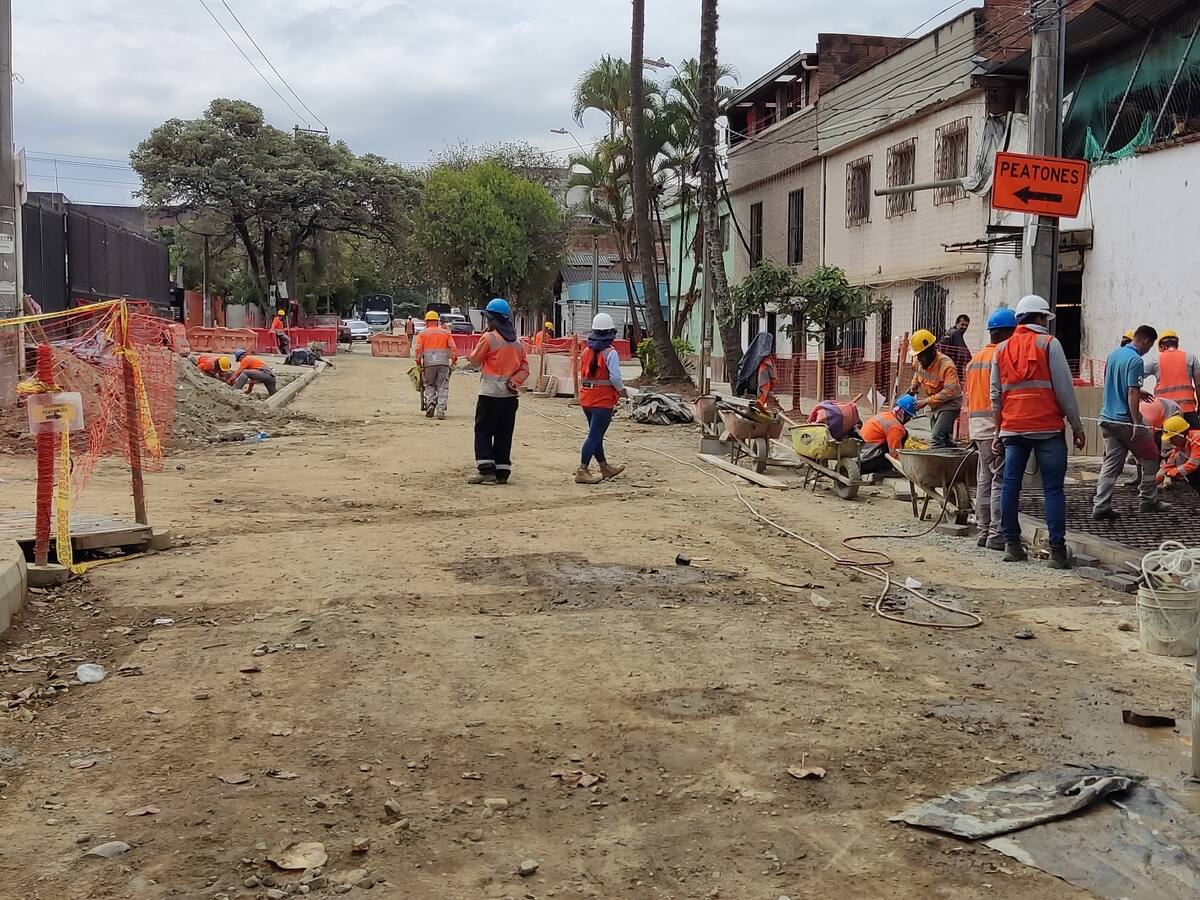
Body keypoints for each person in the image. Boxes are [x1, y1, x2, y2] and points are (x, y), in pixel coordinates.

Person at [991, 294, 1086, 569]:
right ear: (1041, 318)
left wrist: (1000, 431)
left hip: (1013, 430)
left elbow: (995, 396)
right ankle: (1057, 551)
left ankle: (1012, 544)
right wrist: (1077, 426)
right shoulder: (1049, 344)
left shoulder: (1002, 349)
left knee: (1011, 485)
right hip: (1047, 429)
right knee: (1053, 489)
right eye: (1046, 318)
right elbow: (1065, 390)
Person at [1093, 325, 1168, 520]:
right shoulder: (1135, 360)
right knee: (1151, 456)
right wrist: (1136, 421)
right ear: (1146, 341)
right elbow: (1132, 391)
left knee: (1111, 464)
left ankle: (1101, 506)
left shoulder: (1114, 355)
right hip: (1124, 421)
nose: (1147, 350)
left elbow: (1113, 382)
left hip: (1107, 419)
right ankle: (1149, 500)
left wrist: (1137, 391)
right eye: (1149, 346)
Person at [966, 308, 1017, 550]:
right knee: (999, 480)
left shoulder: (974, 360)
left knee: (984, 478)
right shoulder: (1003, 355)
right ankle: (996, 533)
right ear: (1008, 331)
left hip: (977, 427)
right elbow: (1002, 395)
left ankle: (983, 530)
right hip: (995, 427)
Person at [467, 298, 529, 485]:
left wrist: (481, 340)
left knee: (484, 431)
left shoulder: (489, 338)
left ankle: (486, 471)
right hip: (510, 397)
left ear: (492, 320)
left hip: (489, 395)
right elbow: (525, 369)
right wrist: (514, 381)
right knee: (504, 433)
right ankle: (502, 471)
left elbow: (475, 361)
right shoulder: (518, 343)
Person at [575, 313, 627, 484]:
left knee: (595, 434)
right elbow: (615, 377)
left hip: (587, 400)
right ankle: (582, 469)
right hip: (602, 401)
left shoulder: (585, 351)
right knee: (594, 436)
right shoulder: (610, 353)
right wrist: (621, 391)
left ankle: (605, 467)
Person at [908, 329, 962, 449]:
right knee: (944, 438)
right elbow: (917, 374)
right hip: (934, 405)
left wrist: (925, 401)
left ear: (930, 351)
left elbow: (950, 392)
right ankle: (955, 458)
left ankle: (936, 466)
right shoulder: (919, 362)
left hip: (950, 404)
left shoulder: (946, 365)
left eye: (920, 355)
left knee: (936, 438)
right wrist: (914, 386)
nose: (918, 358)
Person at [1145, 330, 1200, 429]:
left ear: (1162, 346)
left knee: (1167, 442)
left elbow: (1136, 375)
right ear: (1177, 344)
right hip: (1188, 410)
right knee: (1194, 440)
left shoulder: (1155, 361)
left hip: (1165, 412)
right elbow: (1198, 384)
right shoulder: (1191, 358)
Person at [413, 310, 458, 420]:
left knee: (429, 385)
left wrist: (418, 362)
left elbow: (418, 350)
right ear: (437, 322)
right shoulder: (445, 333)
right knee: (443, 386)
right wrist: (454, 360)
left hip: (429, 364)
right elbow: (453, 348)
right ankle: (441, 410)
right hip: (443, 364)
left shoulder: (423, 334)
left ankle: (431, 403)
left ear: (427, 322)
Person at [859, 395, 916, 477]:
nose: (908, 420)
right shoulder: (896, 426)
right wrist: (903, 468)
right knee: (903, 434)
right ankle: (884, 470)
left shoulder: (887, 415)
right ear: (902, 413)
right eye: (908, 417)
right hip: (867, 459)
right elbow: (895, 452)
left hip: (861, 453)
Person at [736, 332, 779, 411]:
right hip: (760, 396)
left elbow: (740, 372)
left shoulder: (749, 356)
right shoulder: (766, 361)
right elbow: (772, 379)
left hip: (746, 393)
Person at [1159, 415, 1200, 494]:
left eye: (1172, 438)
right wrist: (1151, 485)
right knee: (1179, 459)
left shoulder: (1197, 439)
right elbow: (1167, 466)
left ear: (1181, 434)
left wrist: (1171, 474)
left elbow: (1193, 464)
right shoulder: (1180, 446)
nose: (1170, 441)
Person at [938, 314, 972, 380]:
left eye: (966, 326)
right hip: (953, 371)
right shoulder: (956, 333)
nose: (964, 327)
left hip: (944, 369)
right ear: (956, 323)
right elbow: (965, 354)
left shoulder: (948, 333)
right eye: (962, 324)